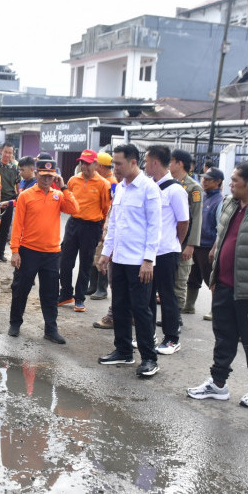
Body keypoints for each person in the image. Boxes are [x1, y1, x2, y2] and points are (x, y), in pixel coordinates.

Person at [187, 162, 248, 408]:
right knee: (224, 337)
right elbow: (222, 237)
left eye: (234, 181)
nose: (230, 184)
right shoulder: (232, 204)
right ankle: (218, 384)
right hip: (224, 285)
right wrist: (215, 268)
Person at [97, 144, 161, 377]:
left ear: (133, 162)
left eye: (119, 164)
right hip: (120, 259)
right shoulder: (121, 188)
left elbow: (155, 227)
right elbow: (114, 223)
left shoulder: (149, 189)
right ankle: (123, 351)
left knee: (141, 310)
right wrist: (106, 252)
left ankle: (149, 358)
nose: (115, 168)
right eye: (114, 164)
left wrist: (148, 260)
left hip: (139, 261)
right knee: (120, 306)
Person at [8, 158, 79, 344]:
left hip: (52, 254)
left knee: (50, 293)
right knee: (20, 289)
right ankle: (15, 323)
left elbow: (74, 209)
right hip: (28, 251)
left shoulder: (58, 195)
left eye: (51, 176)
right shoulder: (25, 196)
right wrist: (15, 251)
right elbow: (17, 225)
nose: (47, 179)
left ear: (55, 176)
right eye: (44, 175)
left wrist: (64, 188)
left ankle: (51, 329)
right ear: (36, 173)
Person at [144, 145, 189, 355]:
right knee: (148, 295)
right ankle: (149, 334)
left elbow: (183, 223)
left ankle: (172, 338)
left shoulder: (175, 190)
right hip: (149, 253)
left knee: (167, 295)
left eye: (146, 161)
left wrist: (175, 243)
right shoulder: (148, 187)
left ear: (155, 162)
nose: (144, 165)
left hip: (167, 251)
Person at [58, 149, 111, 313]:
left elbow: (106, 208)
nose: (84, 166)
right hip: (73, 223)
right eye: (82, 163)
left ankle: (80, 298)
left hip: (92, 226)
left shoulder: (103, 184)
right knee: (65, 261)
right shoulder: (73, 180)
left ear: (95, 164)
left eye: (87, 163)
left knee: (86, 263)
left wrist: (102, 229)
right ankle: (66, 293)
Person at [169, 149, 203, 325]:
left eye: (171, 161)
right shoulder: (170, 183)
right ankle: (171, 316)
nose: (168, 164)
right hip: (170, 239)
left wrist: (191, 245)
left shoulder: (193, 187)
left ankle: (177, 318)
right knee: (168, 280)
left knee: (180, 280)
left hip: (184, 241)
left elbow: (196, 218)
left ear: (179, 163)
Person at [186, 167, 224, 321]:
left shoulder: (220, 201)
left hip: (208, 246)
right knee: (192, 276)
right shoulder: (202, 196)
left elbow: (220, 227)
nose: (204, 181)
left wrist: (215, 248)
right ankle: (189, 305)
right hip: (195, 244)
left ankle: (216, 310)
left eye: (208, 179)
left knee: (212, 280)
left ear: (218, 182)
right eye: (203, 178)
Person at [88, 151, 118, 301]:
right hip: (98, 221)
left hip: (105, 222)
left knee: (101, 254)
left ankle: (101, 288)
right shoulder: (100, 179)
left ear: (100, 166)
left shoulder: (111, 182)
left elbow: (109, 205)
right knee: (94, 254)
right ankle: (93, 285)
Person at [0, 142, 20, 262]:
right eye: (6, 152)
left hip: (8, 202)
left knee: (5, 230)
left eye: (10, 152)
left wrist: (18, 198)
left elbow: (17, 185)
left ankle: (0, 253)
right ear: (1, 151)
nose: (7, 155)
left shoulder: (14, 168)